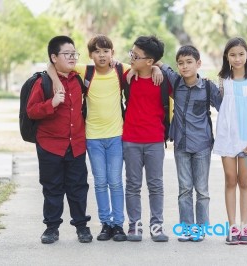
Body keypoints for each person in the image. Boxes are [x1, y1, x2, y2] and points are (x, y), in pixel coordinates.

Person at [47, 34, 163, 242]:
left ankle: (118, 224)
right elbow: (51, 66)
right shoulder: (85, 71)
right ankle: (105, 224)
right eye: (97, 51)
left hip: (117, 136)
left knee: (116, 182)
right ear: (91, 55)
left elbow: (148, 63)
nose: (102, 55)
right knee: (100, 182)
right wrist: (55, 80)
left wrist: (155, 68)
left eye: (106, 51)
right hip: (93, 138)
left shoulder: (122, 70)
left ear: (112, 53)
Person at [27, 35, 93, 244]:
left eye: (74, 53)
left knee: (78, 187)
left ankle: (81, 226)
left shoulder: (79, 77)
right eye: (67, 54)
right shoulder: (42, 82)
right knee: (52, 188)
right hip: (50, 145)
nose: (72, 57)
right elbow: (31, 111)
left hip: (76, 145)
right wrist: (52, 103)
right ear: (54, 57)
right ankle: (51, 228)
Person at [155, 45, 222, 242]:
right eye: (181, 63)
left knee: (202, 190)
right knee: (184, 189)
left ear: (198, 64)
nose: (184, 67)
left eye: (189, 62)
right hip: (181, 145)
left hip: (202, 145)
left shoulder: (208, 88)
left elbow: (225, 106)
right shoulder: (176, 83)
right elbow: (160, 63)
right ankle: (186, 228)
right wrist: (155, 67)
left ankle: (201, 229)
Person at [213, 37, 247, 245]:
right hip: (227, 136)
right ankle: (232, 227)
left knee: (244, 181)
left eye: (241, 54)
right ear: (227, 57)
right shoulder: (223, 81)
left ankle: (244, 226)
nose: (237, 59)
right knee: (230, 179)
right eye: (233, 54)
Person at [123, 35, 170, 242]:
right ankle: (134, 224)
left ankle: (157, 225)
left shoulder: (162, 79)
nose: (131, 57)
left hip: (154, 140)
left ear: (150, 61)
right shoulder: (127, 77)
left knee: (155, 185)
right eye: (131, 53)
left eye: (136, 55)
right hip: (131, 139)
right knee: (132, 184)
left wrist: (158, 68)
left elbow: (174, 71)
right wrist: (135, 67)